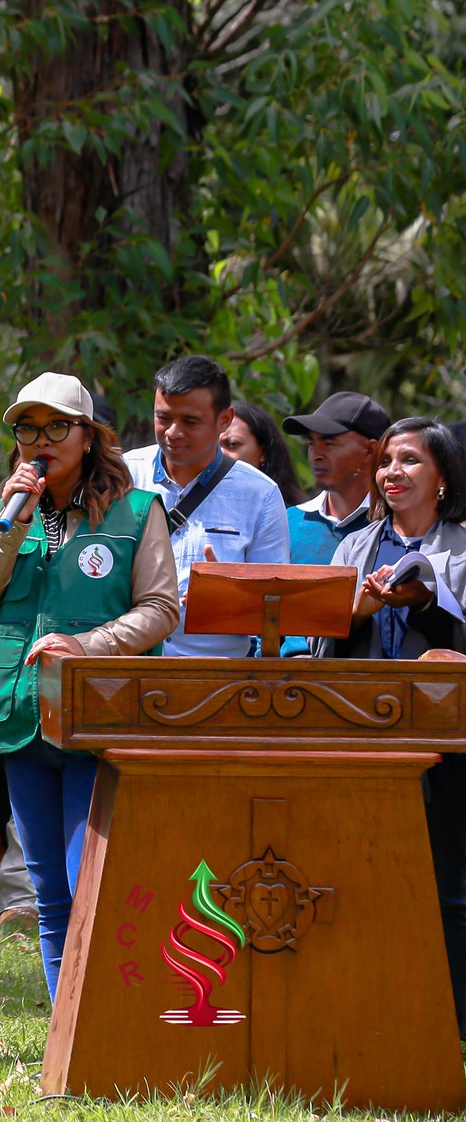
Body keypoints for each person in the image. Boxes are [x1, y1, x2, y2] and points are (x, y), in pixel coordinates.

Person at [0, 373, 179, 997]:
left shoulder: (139, 512)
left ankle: (110, 1021)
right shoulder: (7, 514)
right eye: (28, 429)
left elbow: (161, 607)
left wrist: (85, 647)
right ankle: (66, 1028)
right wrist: (9, 525)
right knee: (49, 890)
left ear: (88, 436)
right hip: (21, 718)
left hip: (99, 720)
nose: (41, 441)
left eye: (57, 426)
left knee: (92, 885)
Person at [313, 417, 466, 1034]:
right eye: (385, 462)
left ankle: (452, 1025)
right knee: (361, 876)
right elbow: (322, 637)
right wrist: (359, 607)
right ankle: (367, 1013)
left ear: (443, 475)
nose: (391, 473)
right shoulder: (355, 546)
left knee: (448, 884)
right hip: (362, 736)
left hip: (446, 739)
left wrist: (425, 601)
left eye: (409, 460)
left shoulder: (462, 547)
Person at [124, 355, 291, 657]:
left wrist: (232, 598)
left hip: (214, 674)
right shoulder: (122, 476)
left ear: (224, 420)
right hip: (124, 665)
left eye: (190, 421)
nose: (173, 432)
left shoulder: (260, 494)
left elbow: (275, 613)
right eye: (163, 418)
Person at [283, 391, 390, 564]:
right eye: (311, 443)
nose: (316, 455)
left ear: (370, 450)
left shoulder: (398, 525)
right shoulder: (290, 522)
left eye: (329, 443)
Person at [222, 401, 305, 506]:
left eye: (233, 444)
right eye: (212, 447)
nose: (220, 453)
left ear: (263, 451)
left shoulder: (294, 514)